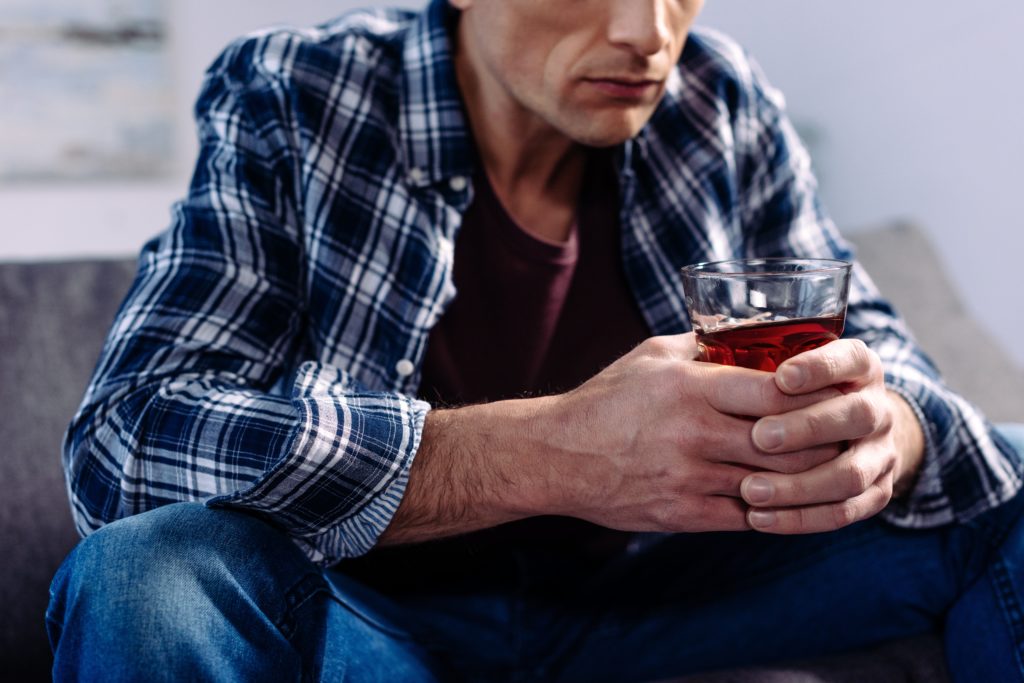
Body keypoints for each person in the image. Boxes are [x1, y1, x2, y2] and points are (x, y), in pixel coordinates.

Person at [46, 0, 1024, 681]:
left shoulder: (720, 101)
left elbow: (889, 361)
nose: (648, 34)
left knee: (1007, 468)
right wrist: (552, 452)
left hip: (663, 598)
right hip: (368, 616)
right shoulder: (300, 93)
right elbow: (130, 437)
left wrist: (888, 425)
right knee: (149, 571)